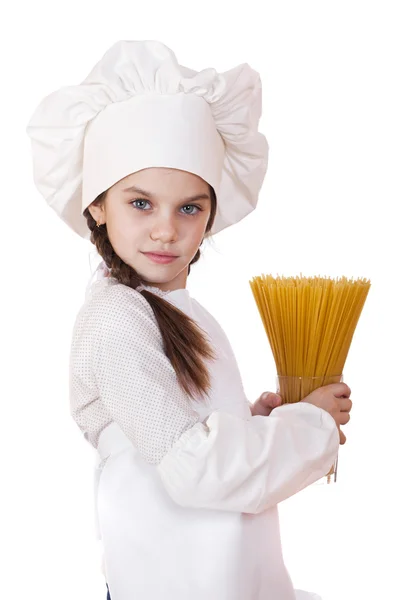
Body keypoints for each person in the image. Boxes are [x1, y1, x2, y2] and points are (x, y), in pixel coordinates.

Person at [26, 40, 352, 600]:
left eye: (189, 207)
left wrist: (254, 421)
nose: (166, 230)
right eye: (140, 203)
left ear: (210, 214)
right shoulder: (114, 321)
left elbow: (177, 434)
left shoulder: (182, 314)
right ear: (96, 205)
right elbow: (193, 467)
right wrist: (309, 430)